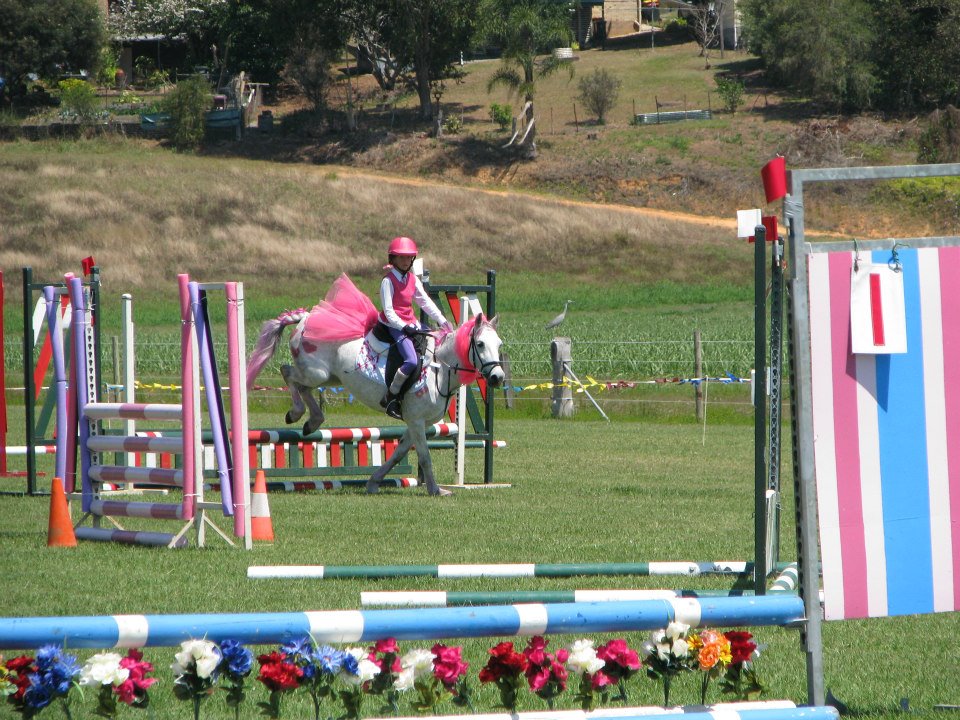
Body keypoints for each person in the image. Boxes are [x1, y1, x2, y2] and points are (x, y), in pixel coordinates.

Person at [378, 236, 453, 419]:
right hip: (393, 325)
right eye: (401, 257)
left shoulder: (412, 279)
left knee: (432, 348)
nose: (405, 261)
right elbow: (389, 311)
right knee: (411, 360)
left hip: (411, 323)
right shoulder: (387, 281)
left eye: (408, 257)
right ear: (393, 259)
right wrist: (404, 327)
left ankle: (421, 394)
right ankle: (391, 397)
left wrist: (443, 321)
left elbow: (425, 302)